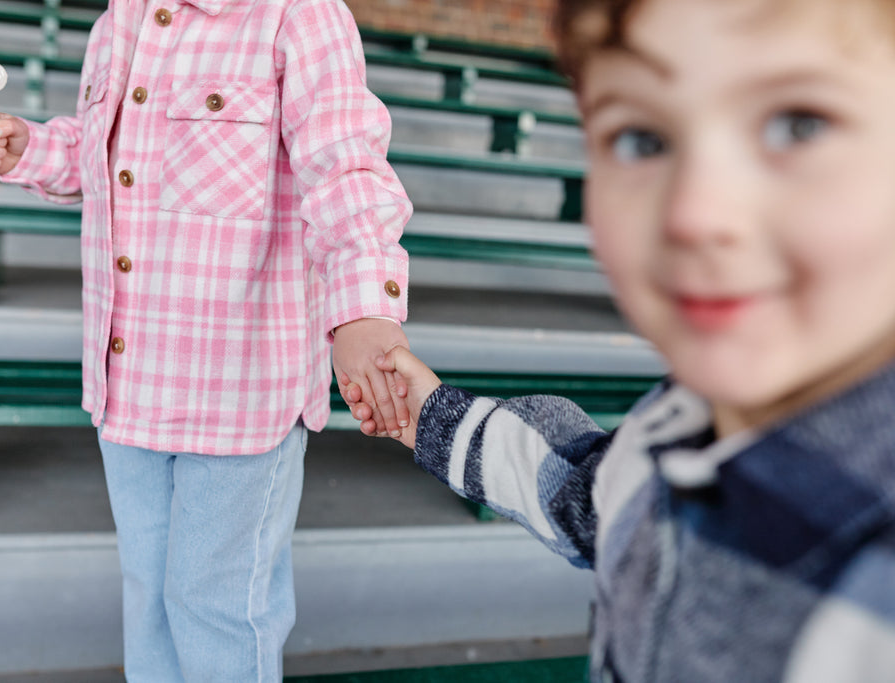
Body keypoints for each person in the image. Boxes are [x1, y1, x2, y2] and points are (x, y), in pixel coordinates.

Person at [344, 0, 895, 680]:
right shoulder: (673, 428)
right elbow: (581, 495)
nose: (695, 212)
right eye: (640, 139)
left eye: (798, 124)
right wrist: (432, 414)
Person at [0, 1, 412, 680]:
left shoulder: (300, 16)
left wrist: (361, 314)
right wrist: (31, 148)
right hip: (129, 388)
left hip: (240, 397)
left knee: (216, 607)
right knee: (149, 597)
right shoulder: (117, 23)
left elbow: (346, 169)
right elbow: (101, 154)